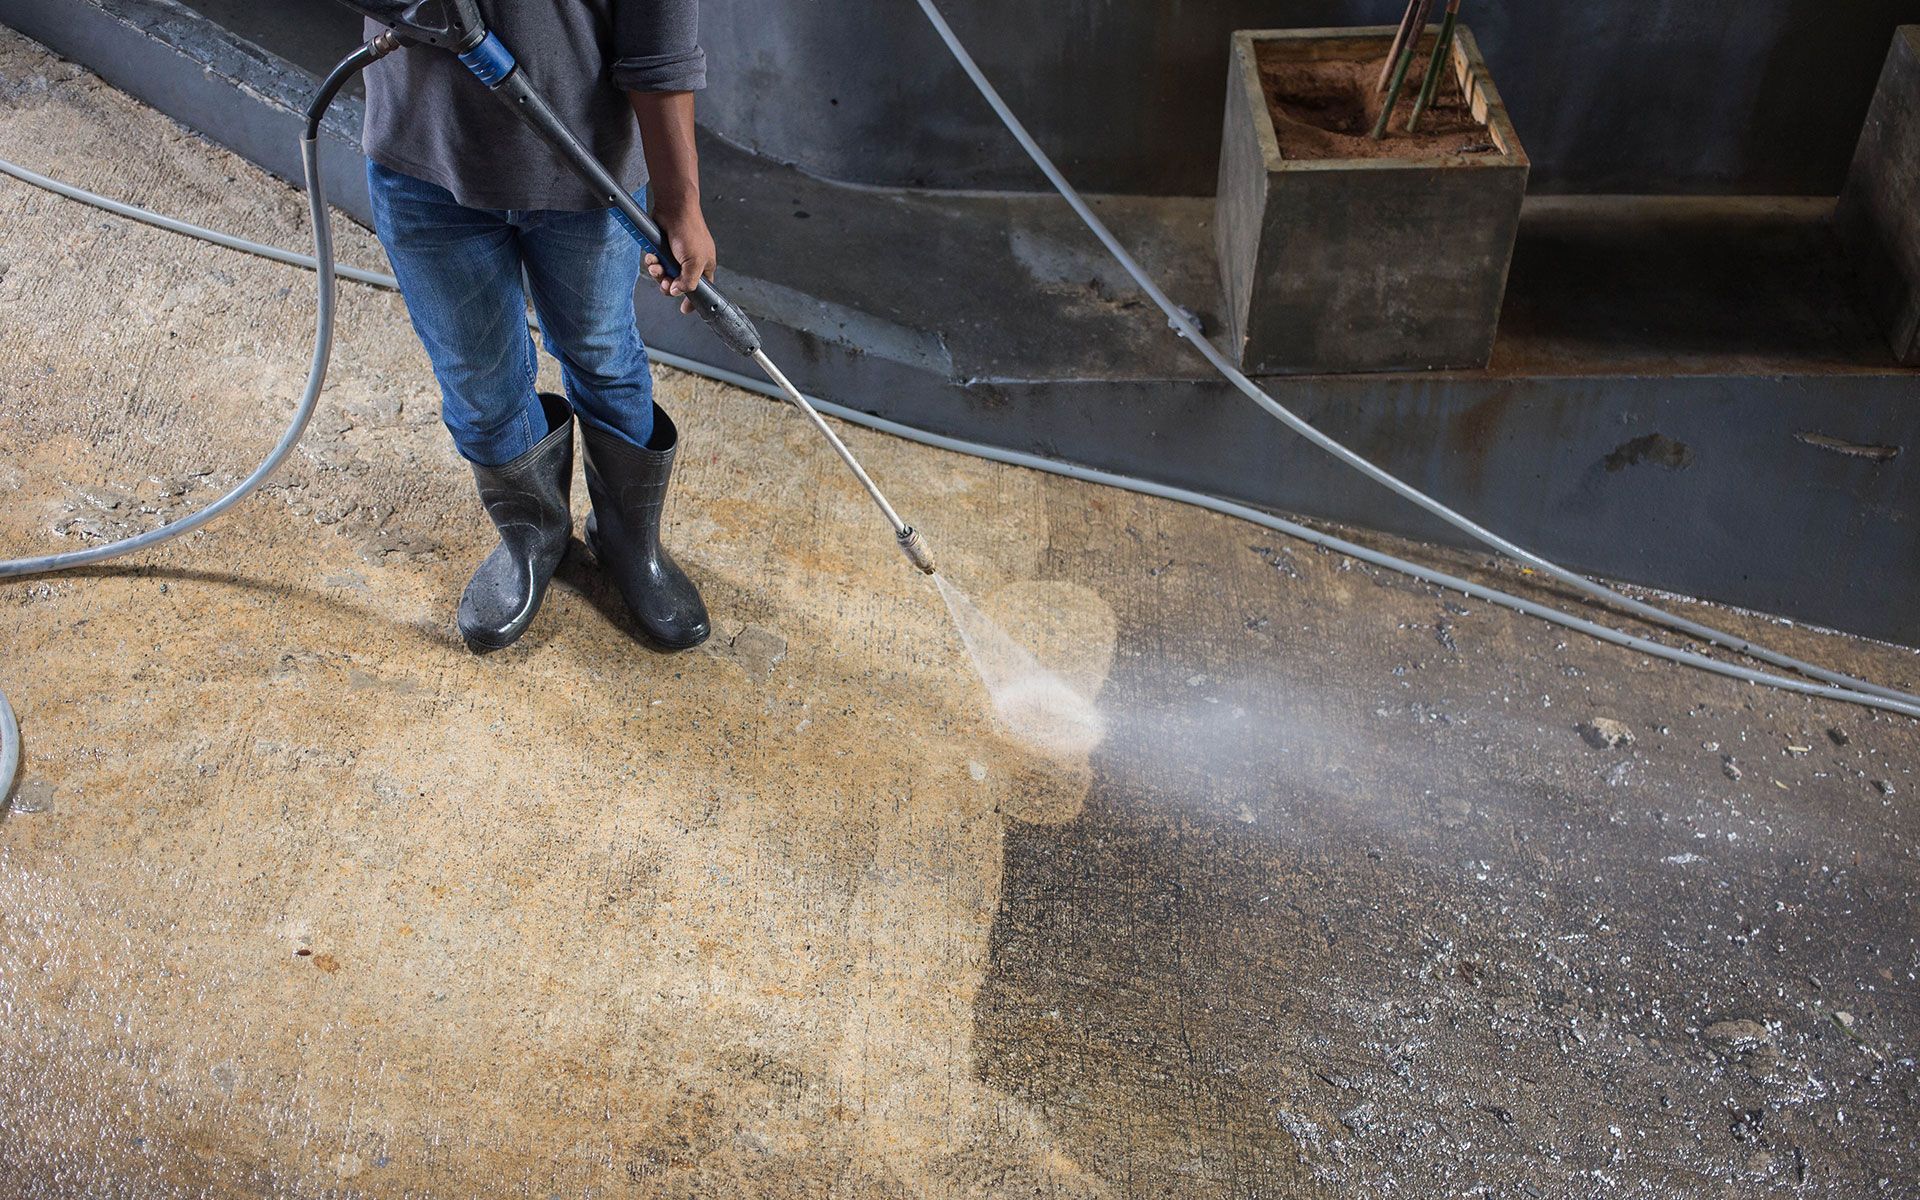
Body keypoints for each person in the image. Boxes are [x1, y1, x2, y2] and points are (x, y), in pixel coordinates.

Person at [361, 1, 715, 653]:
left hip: (589, 175)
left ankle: (629, 544)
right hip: (427, 165)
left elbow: (659, 32)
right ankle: (534, 536)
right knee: (479, 380)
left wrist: (678, 200)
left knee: (603, 358)